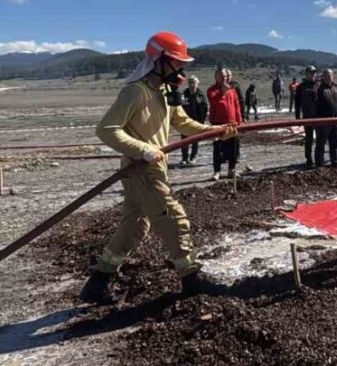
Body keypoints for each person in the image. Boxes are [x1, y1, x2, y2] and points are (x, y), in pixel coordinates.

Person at [79, 32, 237, 306]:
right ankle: (191, 279)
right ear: (158, 60)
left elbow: (183, 123)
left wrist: (216, 130)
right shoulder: (135, 92)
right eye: (176, 62)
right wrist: (143, 149)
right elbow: (106, 129)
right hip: (141, 168)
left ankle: (98, 282)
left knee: (135, 226)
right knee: (174, 218)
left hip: (152, 167)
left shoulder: (164, 92)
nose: (180, 68)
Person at [208, 68, 243, 181]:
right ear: (216, 77)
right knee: (217, 148)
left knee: (233, 147)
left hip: (232, 122)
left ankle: (231, 169)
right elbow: (213, 101)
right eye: (221, 76)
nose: (224, 78)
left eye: (225, 76)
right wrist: (222, 92)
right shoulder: (212, 90)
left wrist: (239, 121)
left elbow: (236, 105)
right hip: (218, 123)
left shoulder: (232, 90)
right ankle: (217, 171)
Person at [314, 69, 337, 167]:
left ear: (333, 76)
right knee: (320, 143)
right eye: (325, 76)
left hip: (336, 121)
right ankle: (319, 163)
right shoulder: (319, 89)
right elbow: (313, 103)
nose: (327, 78)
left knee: (335, 143)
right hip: (323, 122)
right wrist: (315, 91)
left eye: (329, 75)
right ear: (322, 77)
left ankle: (335, 162)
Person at [294, 65, 319, 168]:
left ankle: (318, 158)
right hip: (307, 116)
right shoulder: (301, 86)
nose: (313, 74)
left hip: (319, 116)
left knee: (320, 138)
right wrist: (297, 117)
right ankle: (309, 159)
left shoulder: (319, 85)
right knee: (309, 138)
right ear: (306, 74)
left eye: (314, 72)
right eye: (311, 72)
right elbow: (297, 103)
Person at [181, 76, 208, 166]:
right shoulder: (184, 94)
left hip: (197, 121)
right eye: (190, 83)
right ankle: (184, 158)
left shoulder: (200, 94)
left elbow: (205, 107)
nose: (192, 85)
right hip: (185, 121)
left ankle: (193, 157)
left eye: (193, 83)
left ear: (197, 84)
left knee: (195, 140)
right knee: (184, 140)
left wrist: (202, 121)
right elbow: (180, 106)